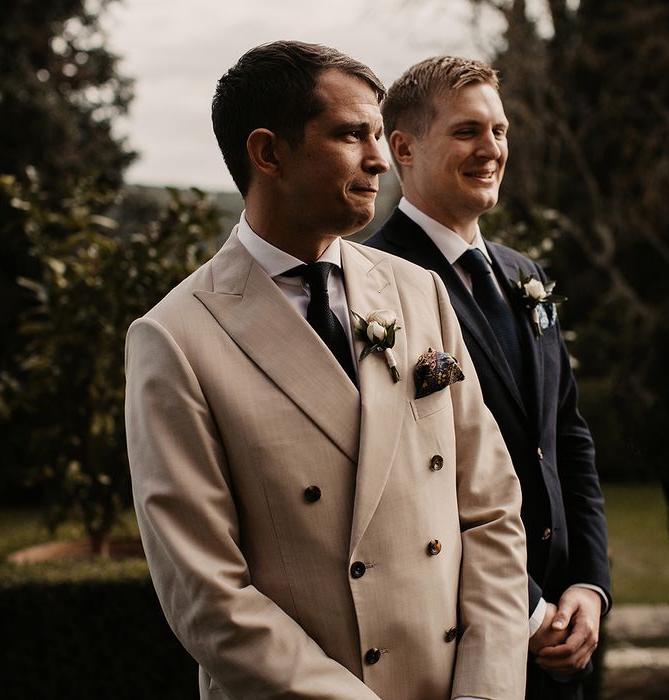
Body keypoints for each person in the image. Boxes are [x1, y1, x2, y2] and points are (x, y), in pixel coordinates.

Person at [125, 41, 529, 700]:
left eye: (377, 134)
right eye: (350, 135)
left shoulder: (419, 292)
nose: (378, 159)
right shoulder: (174, 339)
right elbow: (208, 597)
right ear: (268, 153)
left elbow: (490, 511)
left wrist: (485, 689)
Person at [366, 56, 612, 700]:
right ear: (403, 149)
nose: (492, 149)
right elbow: (401, 488)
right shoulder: (369, 286)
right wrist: (527, 612)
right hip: (461, 639)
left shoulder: (522, 273)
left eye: (500, 132)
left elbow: (567, 437)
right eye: (468, 131)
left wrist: (589, 586)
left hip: (567, 630)